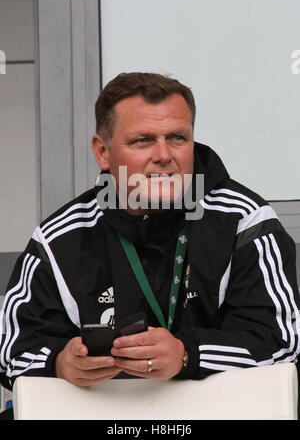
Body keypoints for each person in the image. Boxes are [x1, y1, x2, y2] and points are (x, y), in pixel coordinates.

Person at [0, 72, 299, 394]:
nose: (164, 155)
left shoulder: (244, 220)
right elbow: (11, 354)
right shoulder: (59, 237)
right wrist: (59, 362)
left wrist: (187, 354)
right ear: (102, 152)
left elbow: (282, 343)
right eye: (143, 140)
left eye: (178, 138)